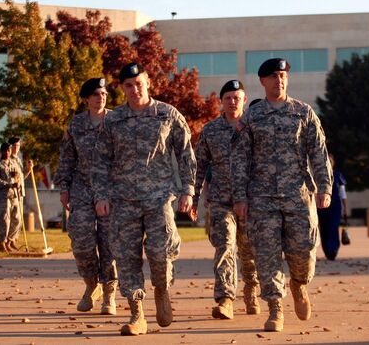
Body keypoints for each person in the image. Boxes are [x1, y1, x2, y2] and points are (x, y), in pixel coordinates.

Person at [92, 62, 196, 336]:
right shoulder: (113, 121)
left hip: (159, 197)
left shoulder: (167, 114)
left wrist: (188, 190)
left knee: (161, 253)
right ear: (122, 88)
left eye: (139, 83)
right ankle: (137, 314)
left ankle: (161, 288)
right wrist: (101, 195)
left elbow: (185, 154)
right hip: (123, 199)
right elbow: (101, 160)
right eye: (128, 85)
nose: (134, 89)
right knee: (126, 257)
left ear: (148, 82)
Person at [231, 58, 333, 332]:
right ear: (262, 81)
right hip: (261, 199)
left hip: (297, 196)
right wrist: (239, 196)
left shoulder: (303, 113)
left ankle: (299, 283)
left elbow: (318, 152)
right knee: (267, 255)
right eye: (273, 76)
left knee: (303, 251)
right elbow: (240, 159)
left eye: (283, 75)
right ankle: (275, 309)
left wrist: (325, 187)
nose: (279, 80)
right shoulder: (252, 117)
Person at [193, 80, 260, 320]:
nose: (233, 102)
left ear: (244, 99)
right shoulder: (211, 130)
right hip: (221, 199)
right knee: (225, 246)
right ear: (221, 102)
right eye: (228, 98)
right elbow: (199, 165)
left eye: (237, 97)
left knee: (249, 249)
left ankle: (251, 286)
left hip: (251, 199)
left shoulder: (254, 127)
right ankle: (225, 299)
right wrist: (194, 196)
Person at [54, 78, 117, 315]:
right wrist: (63, 186)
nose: (101, 97)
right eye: (96, 94)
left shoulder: (116, 121)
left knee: (109, 242)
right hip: (82, 188)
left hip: (110, 190)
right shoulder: (77, 123)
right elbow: (67, 156)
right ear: (86, 98)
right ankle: (91, 284)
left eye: (103, 93)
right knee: (81, 239)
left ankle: (109, 292)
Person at [0, 142, 22, 253]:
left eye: (9, 150)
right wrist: (9, 184)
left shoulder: (13, 164)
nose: (8, 152)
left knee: (17, 220)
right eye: (6, 150)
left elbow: (17, 176)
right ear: (2, 151)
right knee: (4, 221)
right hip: (2, 197)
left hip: (14, 195)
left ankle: (9, 241)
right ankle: (2, 244)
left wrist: (17, 182)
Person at [318, 154, 347, 260]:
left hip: (335, 206)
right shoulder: (318, 175)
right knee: (324, 229)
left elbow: (343, 193)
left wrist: (345, 209)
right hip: (321, 206)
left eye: (330, 160)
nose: (328, 163)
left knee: (333, 228)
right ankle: (327, 250)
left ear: (333, 162)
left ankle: (333, 250)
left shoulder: (337, 175)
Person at [7, 136, 34, 224]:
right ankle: (10, 237)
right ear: (10, 147)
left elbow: (22, 177)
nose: (16, 148)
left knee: (18, 219)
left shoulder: (18, 160)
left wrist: (29, 169)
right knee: (15, 219)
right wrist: (14, 183)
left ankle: (14, 238)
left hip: (20, 193)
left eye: (18, 145)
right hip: (12, 193)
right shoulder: (8, 160)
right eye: (14, 145)